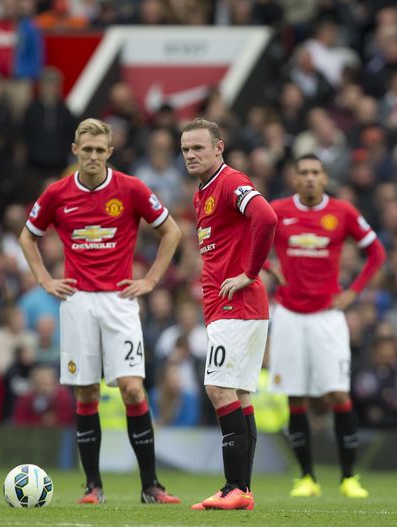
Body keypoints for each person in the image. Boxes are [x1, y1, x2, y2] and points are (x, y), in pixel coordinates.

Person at [19, 118, 182, 505]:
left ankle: (151, 487)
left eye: (99, 150)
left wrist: (152, 281)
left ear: (109, 152)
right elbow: (27, 235)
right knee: (87, 392)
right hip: (77, 302)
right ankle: (93, 487)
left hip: (120, 300)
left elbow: (172, 231)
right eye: (86, 149)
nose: (92, 156)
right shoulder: (58, 193)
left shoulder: (131, 188)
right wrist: (44, 279)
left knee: (131, 388)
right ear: (75, 150)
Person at [267, 154, 386, 498]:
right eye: (302, 172)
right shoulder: (277, 210)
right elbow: (249, 237)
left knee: (337, 392)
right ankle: (306, 478)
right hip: (288, 314)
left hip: (327, 316)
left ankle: (349, 478)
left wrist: (354, 293)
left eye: (314, 173)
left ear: (324, 178)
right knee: (295, 393)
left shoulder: (343, 212)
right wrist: (265, 264)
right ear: (294, 178)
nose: (308, 178)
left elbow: (376, 251)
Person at [180, 118, 278, 511]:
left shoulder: (229, 181)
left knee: (218, 389)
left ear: (218, 148)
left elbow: (266, 217)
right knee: (237, 392)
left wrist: (249, 273)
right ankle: (242, 492)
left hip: (237, 305)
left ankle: (234, 486)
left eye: (198, 148)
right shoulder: (201, 193)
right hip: (230, 307)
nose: (190, 155)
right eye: (186, 149)